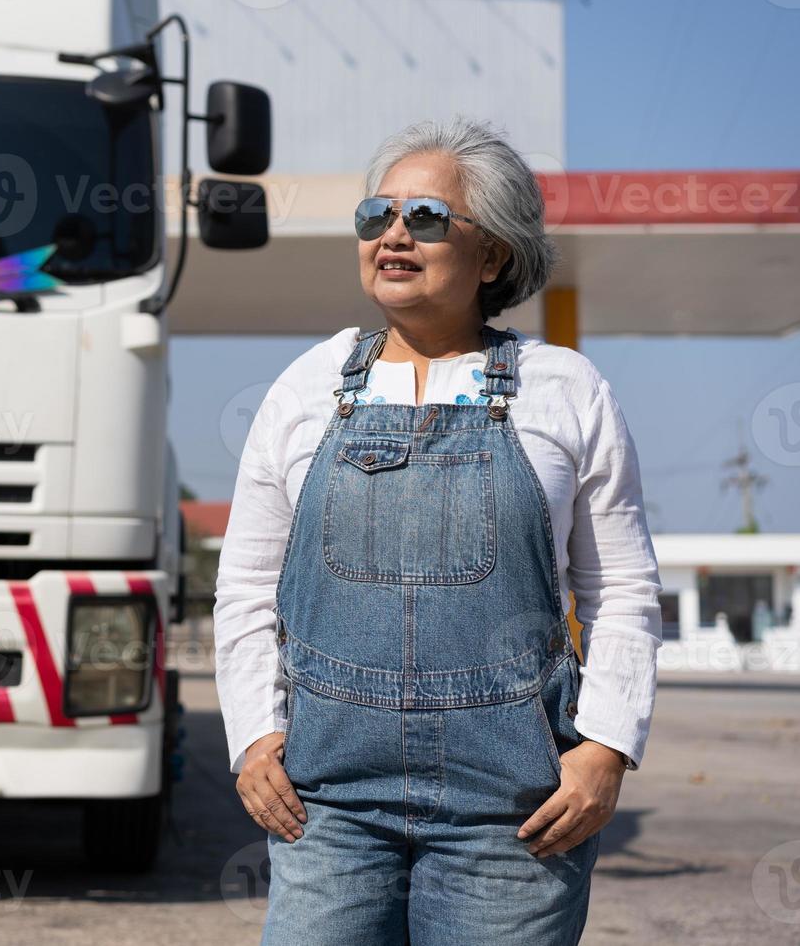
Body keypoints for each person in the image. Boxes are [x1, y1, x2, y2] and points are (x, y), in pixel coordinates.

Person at [213, 118, 662, 944]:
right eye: (375, 216)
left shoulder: (564, 388)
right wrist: (253, 734)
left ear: (491, 256)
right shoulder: (307, 386)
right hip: (331, 807)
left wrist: (606, 746)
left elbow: (623, 590)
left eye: (423, 218)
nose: (392, 236)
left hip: (515, 814)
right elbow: (245, 587)